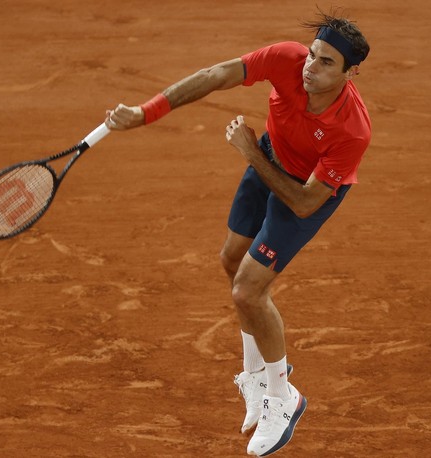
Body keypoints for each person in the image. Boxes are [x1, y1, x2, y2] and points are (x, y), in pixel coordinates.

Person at [105, 10, 370, 457]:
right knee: (230, 261)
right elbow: (216, 75)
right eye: (312, 55)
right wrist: (144, 113)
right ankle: (255, 377)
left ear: (351, 72)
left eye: (327, 63)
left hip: (305, 192)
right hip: (269, 158)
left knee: (248, 291)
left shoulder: (351, 129)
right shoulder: (286, 60)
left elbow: (305, 202)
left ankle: (283, 398)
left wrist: (250, 152)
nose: (310, 67)